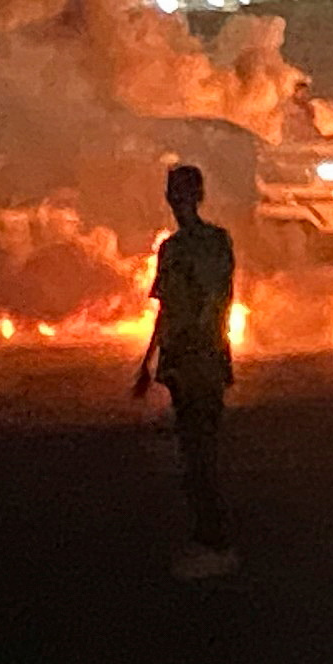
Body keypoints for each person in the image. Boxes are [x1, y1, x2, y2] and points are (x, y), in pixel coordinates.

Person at [135, 161, 241, 581]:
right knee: (192, 453)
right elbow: (165, 309)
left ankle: (215, 543)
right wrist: (148, 362)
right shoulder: (172, 249)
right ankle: (206, 538)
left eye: (182, 194)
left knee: (201, 453)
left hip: (203, 359)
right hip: (181, 361)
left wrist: (199, 344)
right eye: (173, 194)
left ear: (196, 196)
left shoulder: (213, 243)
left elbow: (214, 301)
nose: (177, 202)